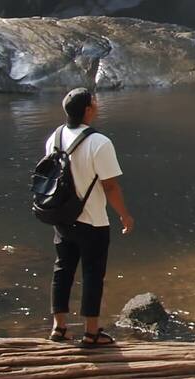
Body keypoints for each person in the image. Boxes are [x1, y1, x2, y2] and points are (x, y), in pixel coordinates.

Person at [45, 88, 134, 346]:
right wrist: (125, 216)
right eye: (94, 102)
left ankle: (59, 328)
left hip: (62, 216)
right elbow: (110, 187)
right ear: (87, 109)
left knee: (62, 270)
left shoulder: (55, 137)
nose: (97, 105)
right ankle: (91, 332)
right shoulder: (99, 142)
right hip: (93, 220)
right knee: (93, 274)